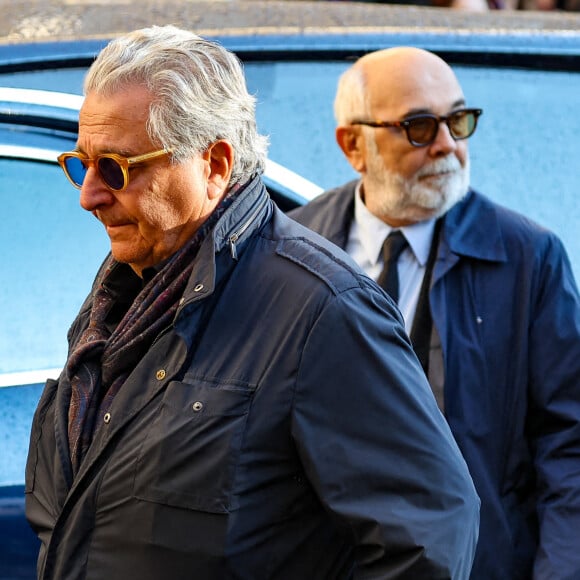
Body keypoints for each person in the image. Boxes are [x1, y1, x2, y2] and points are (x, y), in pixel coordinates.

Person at [24, 26, 479, 580]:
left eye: (117, 169)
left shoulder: (323, 310)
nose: (88, 195)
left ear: (214, 165)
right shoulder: (119, 299)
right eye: (80, 163)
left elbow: (429, 537)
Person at [289, 46, 580, 579]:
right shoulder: (293, 249)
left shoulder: (528, 258)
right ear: (354, 145)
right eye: (420, 127)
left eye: (459, 121)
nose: (447, 145)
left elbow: (569, 446)